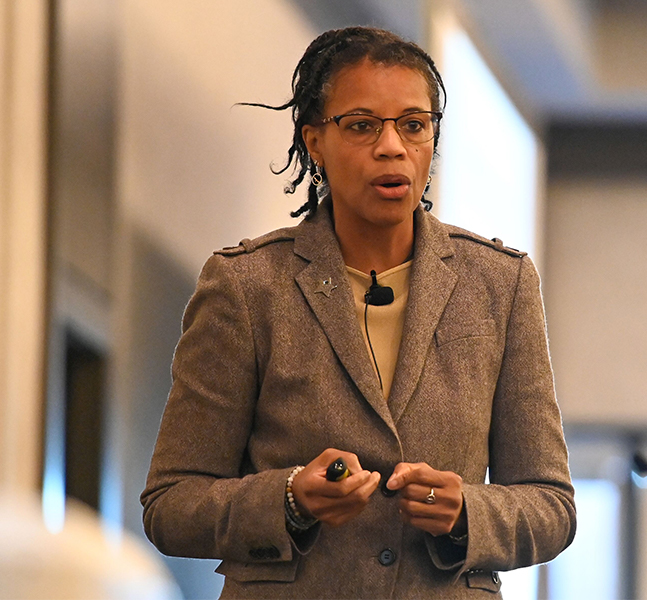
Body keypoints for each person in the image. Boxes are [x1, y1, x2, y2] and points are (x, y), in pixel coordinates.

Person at [141, 26, 575, 599]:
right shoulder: (246, 286)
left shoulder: (500, 284)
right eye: (363, 125)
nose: (392, 147)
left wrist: (466, 510)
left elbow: (551, 505)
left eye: (413, 125)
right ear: (314, 141)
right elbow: (171, 504)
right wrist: (291, 498)